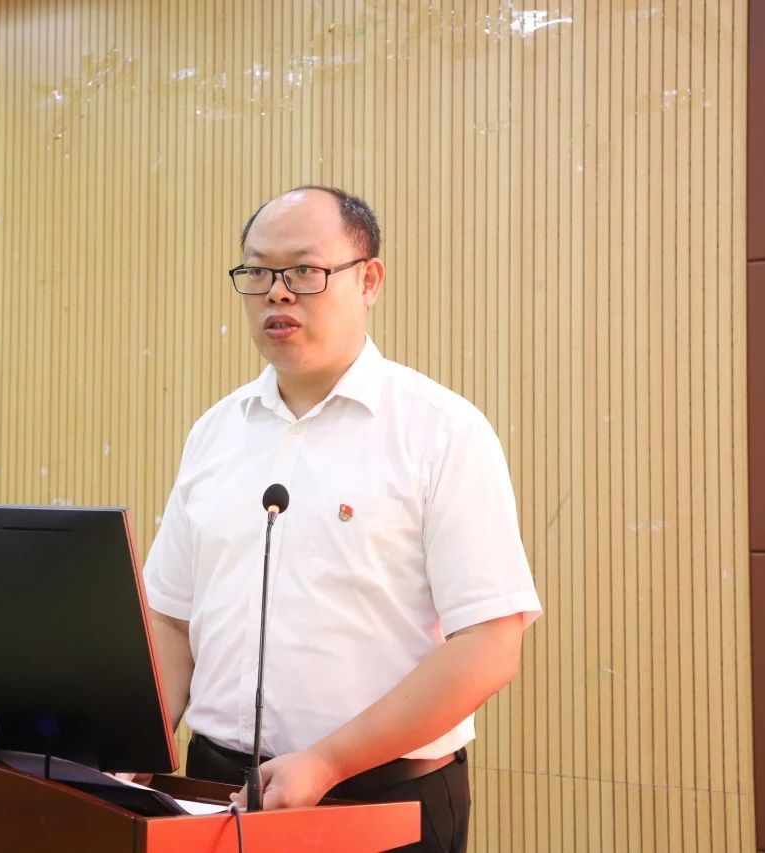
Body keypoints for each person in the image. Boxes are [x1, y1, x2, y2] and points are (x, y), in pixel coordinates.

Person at [142, 186, 541, 853]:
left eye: (304, 270)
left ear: (370, 280)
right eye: (258, 272)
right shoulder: (215, 432)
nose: (277, 292)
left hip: (381, 799)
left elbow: (490, 642)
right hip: (217, 789)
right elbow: (171, 620)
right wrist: (130, 749)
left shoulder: (441, 431)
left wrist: (327, 761)